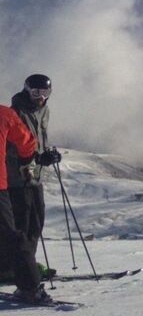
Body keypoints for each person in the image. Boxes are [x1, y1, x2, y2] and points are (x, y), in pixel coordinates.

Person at [0, 103, 55, 304]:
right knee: (10, 235)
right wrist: (26, 163)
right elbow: (27, 142)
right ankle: (30, 288)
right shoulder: (5, 114)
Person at [6, 75, 56, 280]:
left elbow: (39, 140)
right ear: (27, 90)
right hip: (17, 177)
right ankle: (12, 269)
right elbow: (12, 148)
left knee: (36, 222)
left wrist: (48, 154)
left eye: (46, 93)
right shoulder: (16, 112)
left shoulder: (44, 110)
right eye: (37, 93)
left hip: (36, 176)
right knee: (22, 224)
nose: (41, 98)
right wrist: (37, 158)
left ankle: (27, 265)